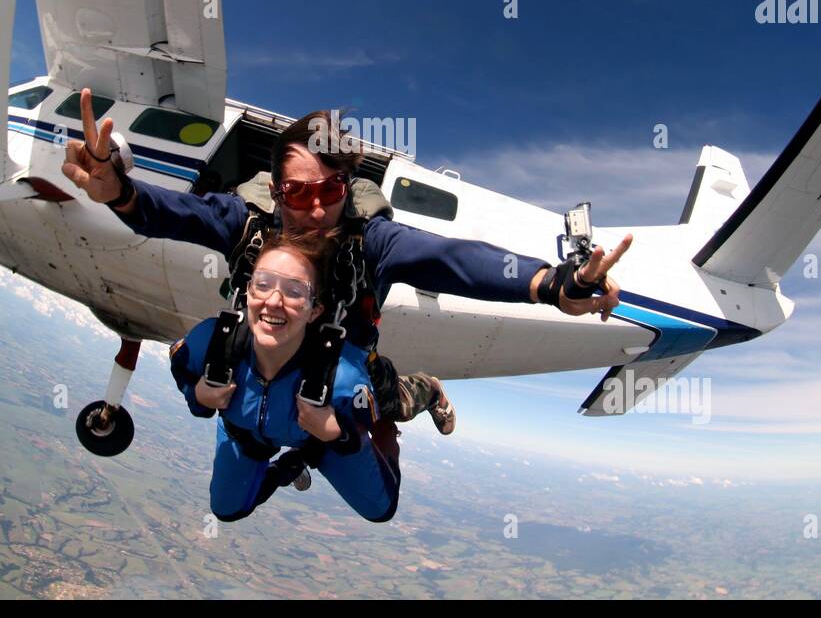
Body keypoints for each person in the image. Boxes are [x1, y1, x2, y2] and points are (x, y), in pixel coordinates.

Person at [62, 90, 632, 431]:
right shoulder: (248, 223)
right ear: (276, 192)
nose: (311, 211)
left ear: (348, 188)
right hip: (268, 352)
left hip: (342, 365)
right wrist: (118, 190)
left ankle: (426, 390)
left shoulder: (372, 242)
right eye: (296, 195)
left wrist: (553, 283)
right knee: (199, 362)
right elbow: (175, 214)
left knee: (373, 406)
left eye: (328, 193)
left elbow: (455, 260)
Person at [169, 231, 399, 522]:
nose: (274, 301)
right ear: (248, 293)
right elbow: (181, 367)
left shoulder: (343, 376)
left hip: (321, 437)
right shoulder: (212, 344)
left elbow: (365, 422)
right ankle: (288, 467)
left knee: (380, 509)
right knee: (226, 510)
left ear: (315, 310)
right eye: (263, 285)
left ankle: (417, 392)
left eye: (294, 292)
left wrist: (336, 434)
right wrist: (198, 397)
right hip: (248, 432)